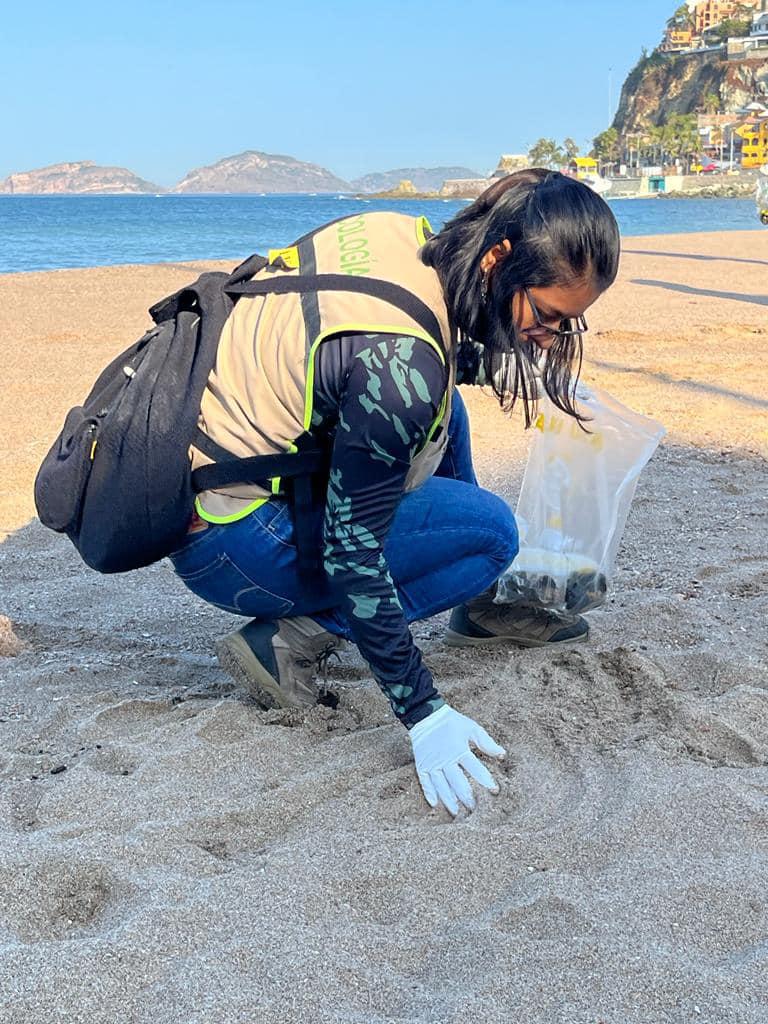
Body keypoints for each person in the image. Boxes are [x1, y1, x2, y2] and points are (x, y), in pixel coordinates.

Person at [169, 168, 621, 816]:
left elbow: (355, 359)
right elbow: (353, 555)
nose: (550, 338)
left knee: (447, 412)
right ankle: (288, 640)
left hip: (216, 479)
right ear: (498, 259)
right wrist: (423, 714)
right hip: (231, 544)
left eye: (565, 327)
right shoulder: (405, 369)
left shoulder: (400, 240)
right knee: (491, 534)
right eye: (547, 317)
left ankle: (481, 603)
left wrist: (495, 363)